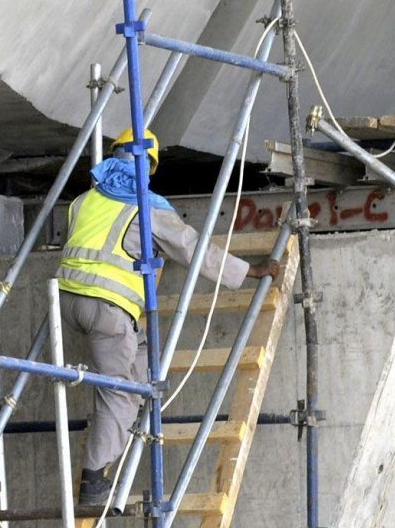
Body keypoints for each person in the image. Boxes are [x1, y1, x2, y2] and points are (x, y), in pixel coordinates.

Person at [57, 128, 279, 504]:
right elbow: (191, 248)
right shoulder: (146, 204)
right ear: (150, 166)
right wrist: (248, 272)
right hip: (107, 308)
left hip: (67, 302)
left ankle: (128, 410)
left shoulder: (82, 199)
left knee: (141, 360)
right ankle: (93, 482)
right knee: (116, 391)